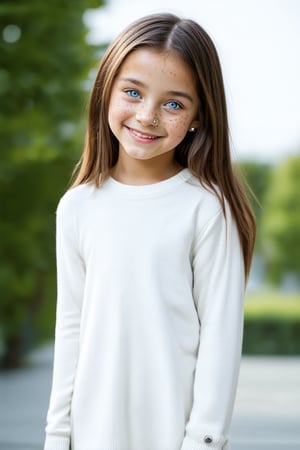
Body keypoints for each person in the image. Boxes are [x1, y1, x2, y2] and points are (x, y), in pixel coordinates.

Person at [44, 12, 256, 450]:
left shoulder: (206, 209)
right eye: (133, 92)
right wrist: (56, 435)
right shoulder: (78, 207)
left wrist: (204, 440)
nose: (147, 115)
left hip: (175, 438)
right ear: (106, 91)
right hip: (91, 436)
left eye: (174, 103)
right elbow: (71, 329)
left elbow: (221, 338)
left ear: (199, 116)